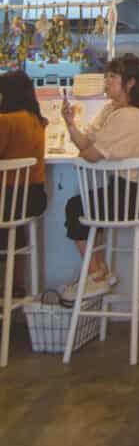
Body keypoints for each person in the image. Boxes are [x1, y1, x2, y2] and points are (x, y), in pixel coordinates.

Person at [60, 53, 139, 300]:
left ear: (130, 83)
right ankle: (99, 272)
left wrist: (84, 150)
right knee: (83, 205)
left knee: (76, 206)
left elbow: (91, 154)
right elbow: (85, 143)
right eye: (106, 76)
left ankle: (97, 273)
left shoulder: (128, 115)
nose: (106, 81)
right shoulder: (111, 110)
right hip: (127, 188)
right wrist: (70, 123)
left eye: (112, 77)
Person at [0, 71, 48, 296]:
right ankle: (14, 284)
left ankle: (9, 285)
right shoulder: (37, 120)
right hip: (33, 198)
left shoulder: (6, 121)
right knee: (13, 230)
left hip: (8, 200)